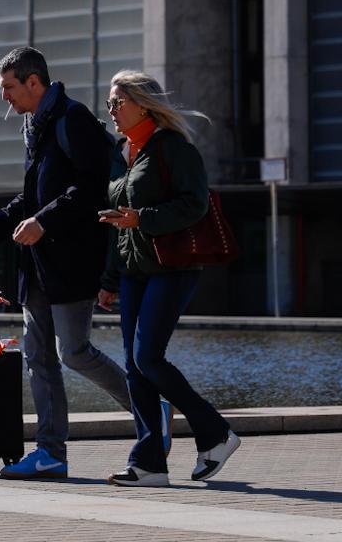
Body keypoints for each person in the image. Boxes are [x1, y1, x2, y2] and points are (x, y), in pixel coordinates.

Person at [0, 46, 131, 479]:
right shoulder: (33, 125)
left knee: (73, 352)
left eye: (8, 87)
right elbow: (31, 198)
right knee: (38, 356)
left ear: (33, 82)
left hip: (70, 262)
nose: (4, 96)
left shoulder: (72, 120)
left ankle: (150, 408)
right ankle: (51, 453)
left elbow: (91, 190)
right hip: (36, 265)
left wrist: (43, 221)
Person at [98, 70, 240, 487]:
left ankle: (215, 433)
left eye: (118, 102)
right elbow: (116, 223)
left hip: (172, 267)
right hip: (132, 272)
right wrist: (108, 278)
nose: (111, 110)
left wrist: (145, 217)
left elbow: (194, 204)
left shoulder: (173, 148)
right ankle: (149, 465)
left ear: (143, 104)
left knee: (148, 358)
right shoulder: (122, 152)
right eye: (109, 103)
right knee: (133, 368)